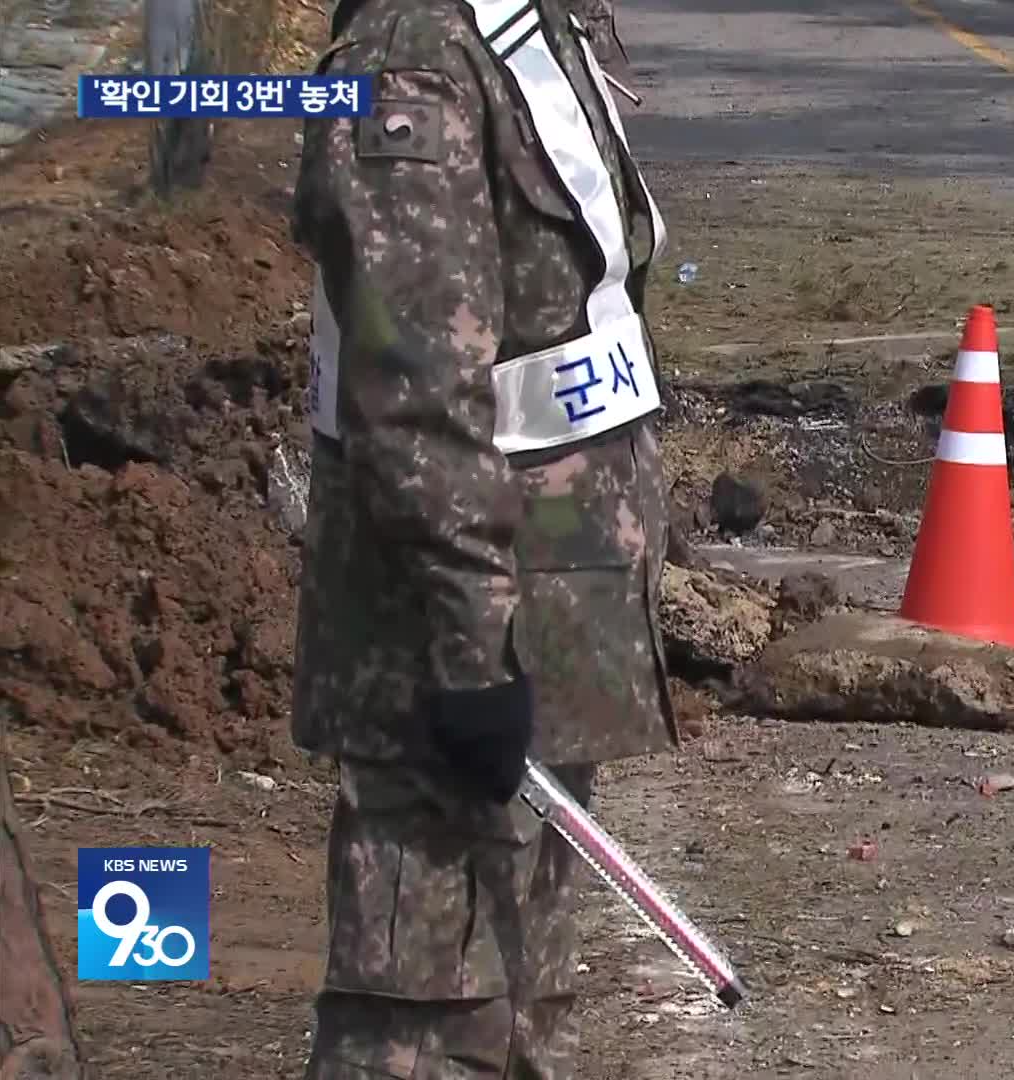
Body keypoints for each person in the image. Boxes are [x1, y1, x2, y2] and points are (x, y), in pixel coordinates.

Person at [287, 0, 676, 1074]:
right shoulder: (412, 58)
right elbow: (414, 388)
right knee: (424, 1013)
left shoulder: (526, 21)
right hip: (456, 635)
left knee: (518, 1004)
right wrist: (472, 651)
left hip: (551, 608)